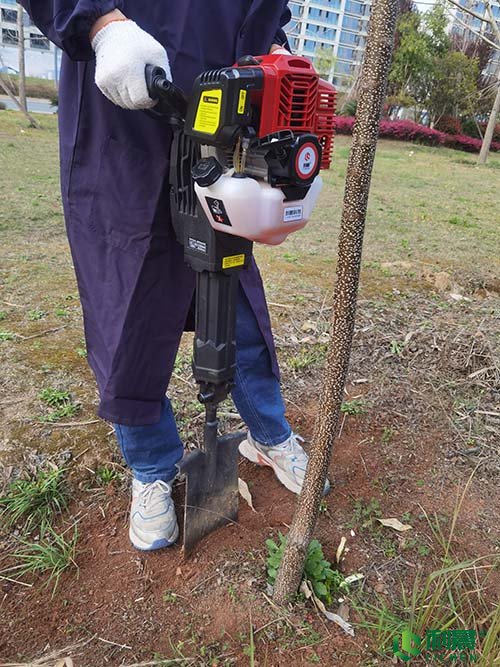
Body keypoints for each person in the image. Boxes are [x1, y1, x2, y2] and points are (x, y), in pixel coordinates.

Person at [20, 0, 329, 551]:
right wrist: (101, 24)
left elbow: (266, 11)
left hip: (224, 134)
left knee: (236, 302)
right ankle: (152, 468)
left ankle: (269, 435)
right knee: (128, 314)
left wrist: (273, 54)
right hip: (123, 120)